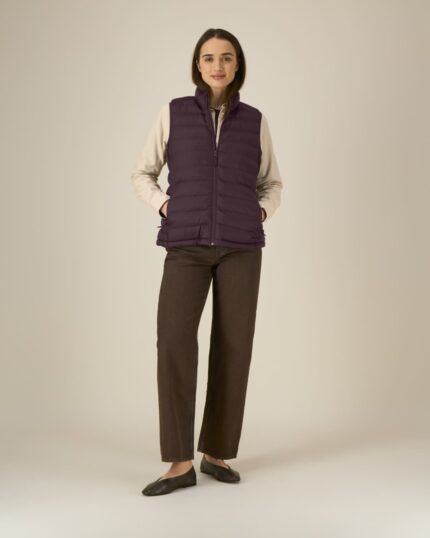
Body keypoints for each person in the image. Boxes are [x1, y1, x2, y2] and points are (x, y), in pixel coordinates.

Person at [130, 28, 283, 496]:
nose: (218, 65)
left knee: (234, 345)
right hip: (186, 246)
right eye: (209, 57)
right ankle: (179, 462)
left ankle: (216, 453)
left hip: (241, 247)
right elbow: (142, 172)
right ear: (198, 65)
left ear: (238, 65)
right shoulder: (173, 113)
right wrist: (164, 205)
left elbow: (272, 183)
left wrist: (259, 212)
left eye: (227, 57)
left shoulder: (254, 121)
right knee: (174, 342)